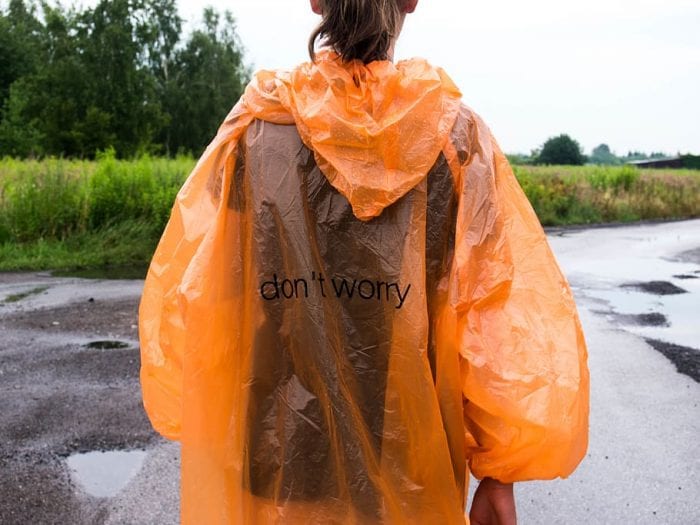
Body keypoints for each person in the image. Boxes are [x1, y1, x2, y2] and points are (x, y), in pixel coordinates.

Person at [139, 1, 590, 523]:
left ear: (314, 1)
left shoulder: (257, 131)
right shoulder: (453, 139)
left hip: (277, 458)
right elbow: (494, 320)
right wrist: (499, 472)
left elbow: (206, 300)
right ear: (412, 1)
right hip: (411, 463)